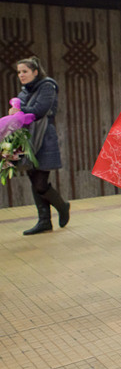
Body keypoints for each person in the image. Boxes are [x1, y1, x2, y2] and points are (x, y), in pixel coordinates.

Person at [9, 56, 70, 235]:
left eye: (25, 71)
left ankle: (62, 206)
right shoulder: (24, 91)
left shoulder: (47, 86)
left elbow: (39, 110)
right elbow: (19, 110)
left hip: (43, 139)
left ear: (35, 72)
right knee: (33, 177)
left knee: (40, 183)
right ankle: (44, 221)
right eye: (19, 72)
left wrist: (18, 110)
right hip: (28, 139)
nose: (21, 75)